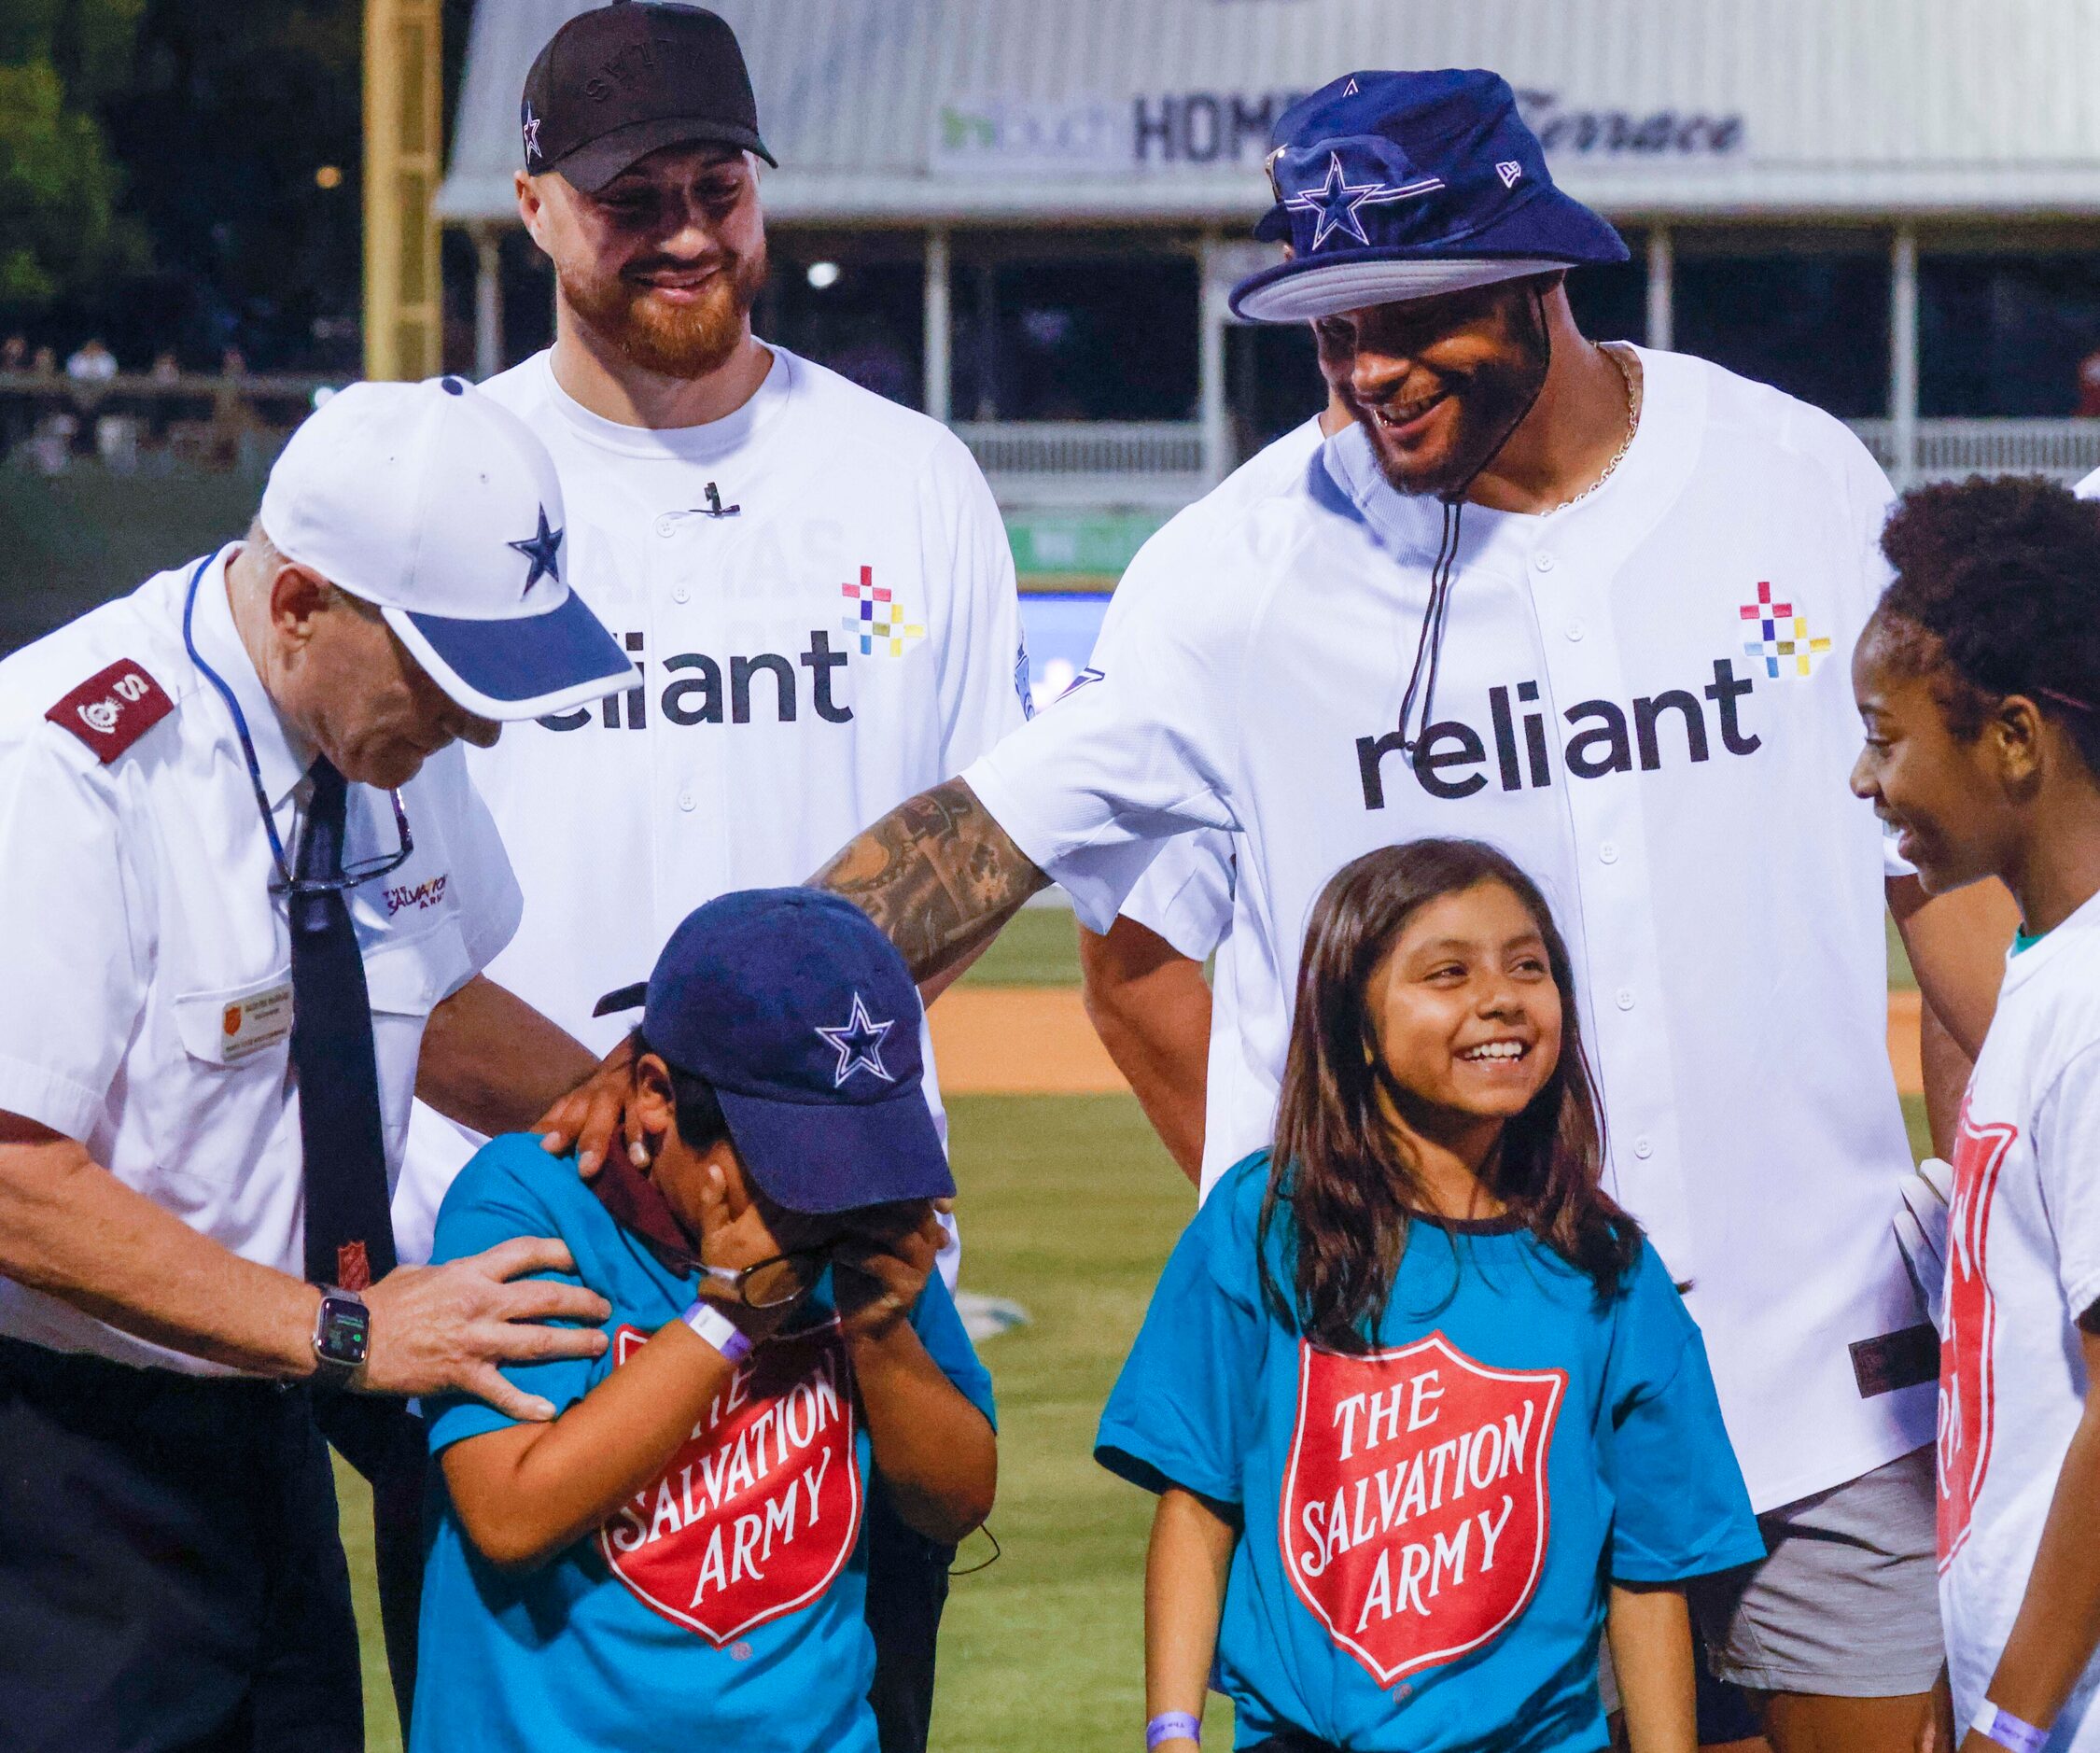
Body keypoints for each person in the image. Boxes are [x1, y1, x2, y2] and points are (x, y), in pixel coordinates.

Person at [732, 69, 2024, 1752]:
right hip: (1453, 1425)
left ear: (1543, 271)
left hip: (1821, 1362)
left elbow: (1951, 897)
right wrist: (714, 1026)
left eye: (1413, 316)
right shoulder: (1237, 567)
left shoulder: (1791, 476)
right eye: (1329, 327)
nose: (1368, 371)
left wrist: (2035, 1211)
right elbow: (981, 846)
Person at [406, 7, 1029, 1745]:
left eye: (717, 183)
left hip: (825, 1235)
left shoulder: (910, 478)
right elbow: (390, 909)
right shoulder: (459, 488)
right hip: (515, 1258)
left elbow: (977, 846)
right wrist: (623, 1111)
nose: (686, 226)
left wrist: (771, 1113)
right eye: (630, 195)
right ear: (530, 205)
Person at [0, 374, 638, 1749]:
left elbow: (434, 999)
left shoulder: (380, 727)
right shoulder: (64, 763)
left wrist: (634, 1112)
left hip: (270, 1427)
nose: (479, 727)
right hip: (58, 1458)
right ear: (300, 607)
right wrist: (350, 1332)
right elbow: (12, 1178)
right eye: (449, 677)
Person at [1100, 839, 1762, 1752]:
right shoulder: (1262, 1223)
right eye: (1446, 973)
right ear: (1357, 1025)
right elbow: (1201, 1499)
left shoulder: (1608, 1269)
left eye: (1528, 966)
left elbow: (1647, 1577)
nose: (1498, 996)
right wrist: (1172, 1733)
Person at [413, 888, 996, 1753]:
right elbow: (509, 1515)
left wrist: (879, 1334)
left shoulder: (864, 1218)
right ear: (656, 1096)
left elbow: (954, 1503)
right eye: (794, 1163)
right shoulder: (530, 1201)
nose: (826, 1198)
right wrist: (726, 1316)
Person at [1850, 477, 2100, 1753]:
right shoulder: (2046, 974)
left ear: (2010, 738)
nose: (1859, 777)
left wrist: (2007, 1720)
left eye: (1884, 737)